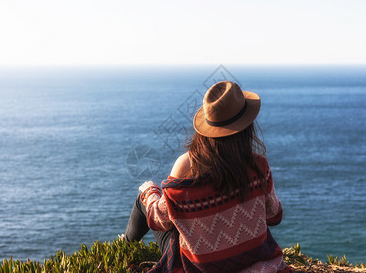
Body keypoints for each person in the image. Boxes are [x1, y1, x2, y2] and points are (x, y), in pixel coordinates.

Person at [124, 81, 293, 273]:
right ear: (247, 126)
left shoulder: (186, 165)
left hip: (198, 267)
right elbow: (274, 216)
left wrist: (149, 191)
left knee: (144, 198)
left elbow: (160, 220)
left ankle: (125, 246)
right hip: (253, 261)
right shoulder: (258, 166)